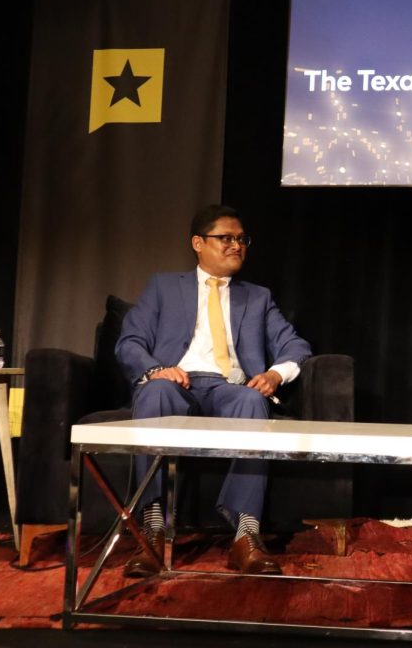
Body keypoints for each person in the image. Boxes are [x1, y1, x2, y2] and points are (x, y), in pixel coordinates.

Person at [115, 204, 312, 577]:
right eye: (225, 238)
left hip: (229, 388)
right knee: (155, 393)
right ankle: (153, 530)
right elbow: (130, 342)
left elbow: (295, 345)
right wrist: (157, 370)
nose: (236, 246)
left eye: (241, 239)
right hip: (177, 383)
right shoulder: (163, 286)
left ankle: (245, 536)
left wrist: (275, 374)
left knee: (254, 401)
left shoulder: (258, 297)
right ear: (198, 243)